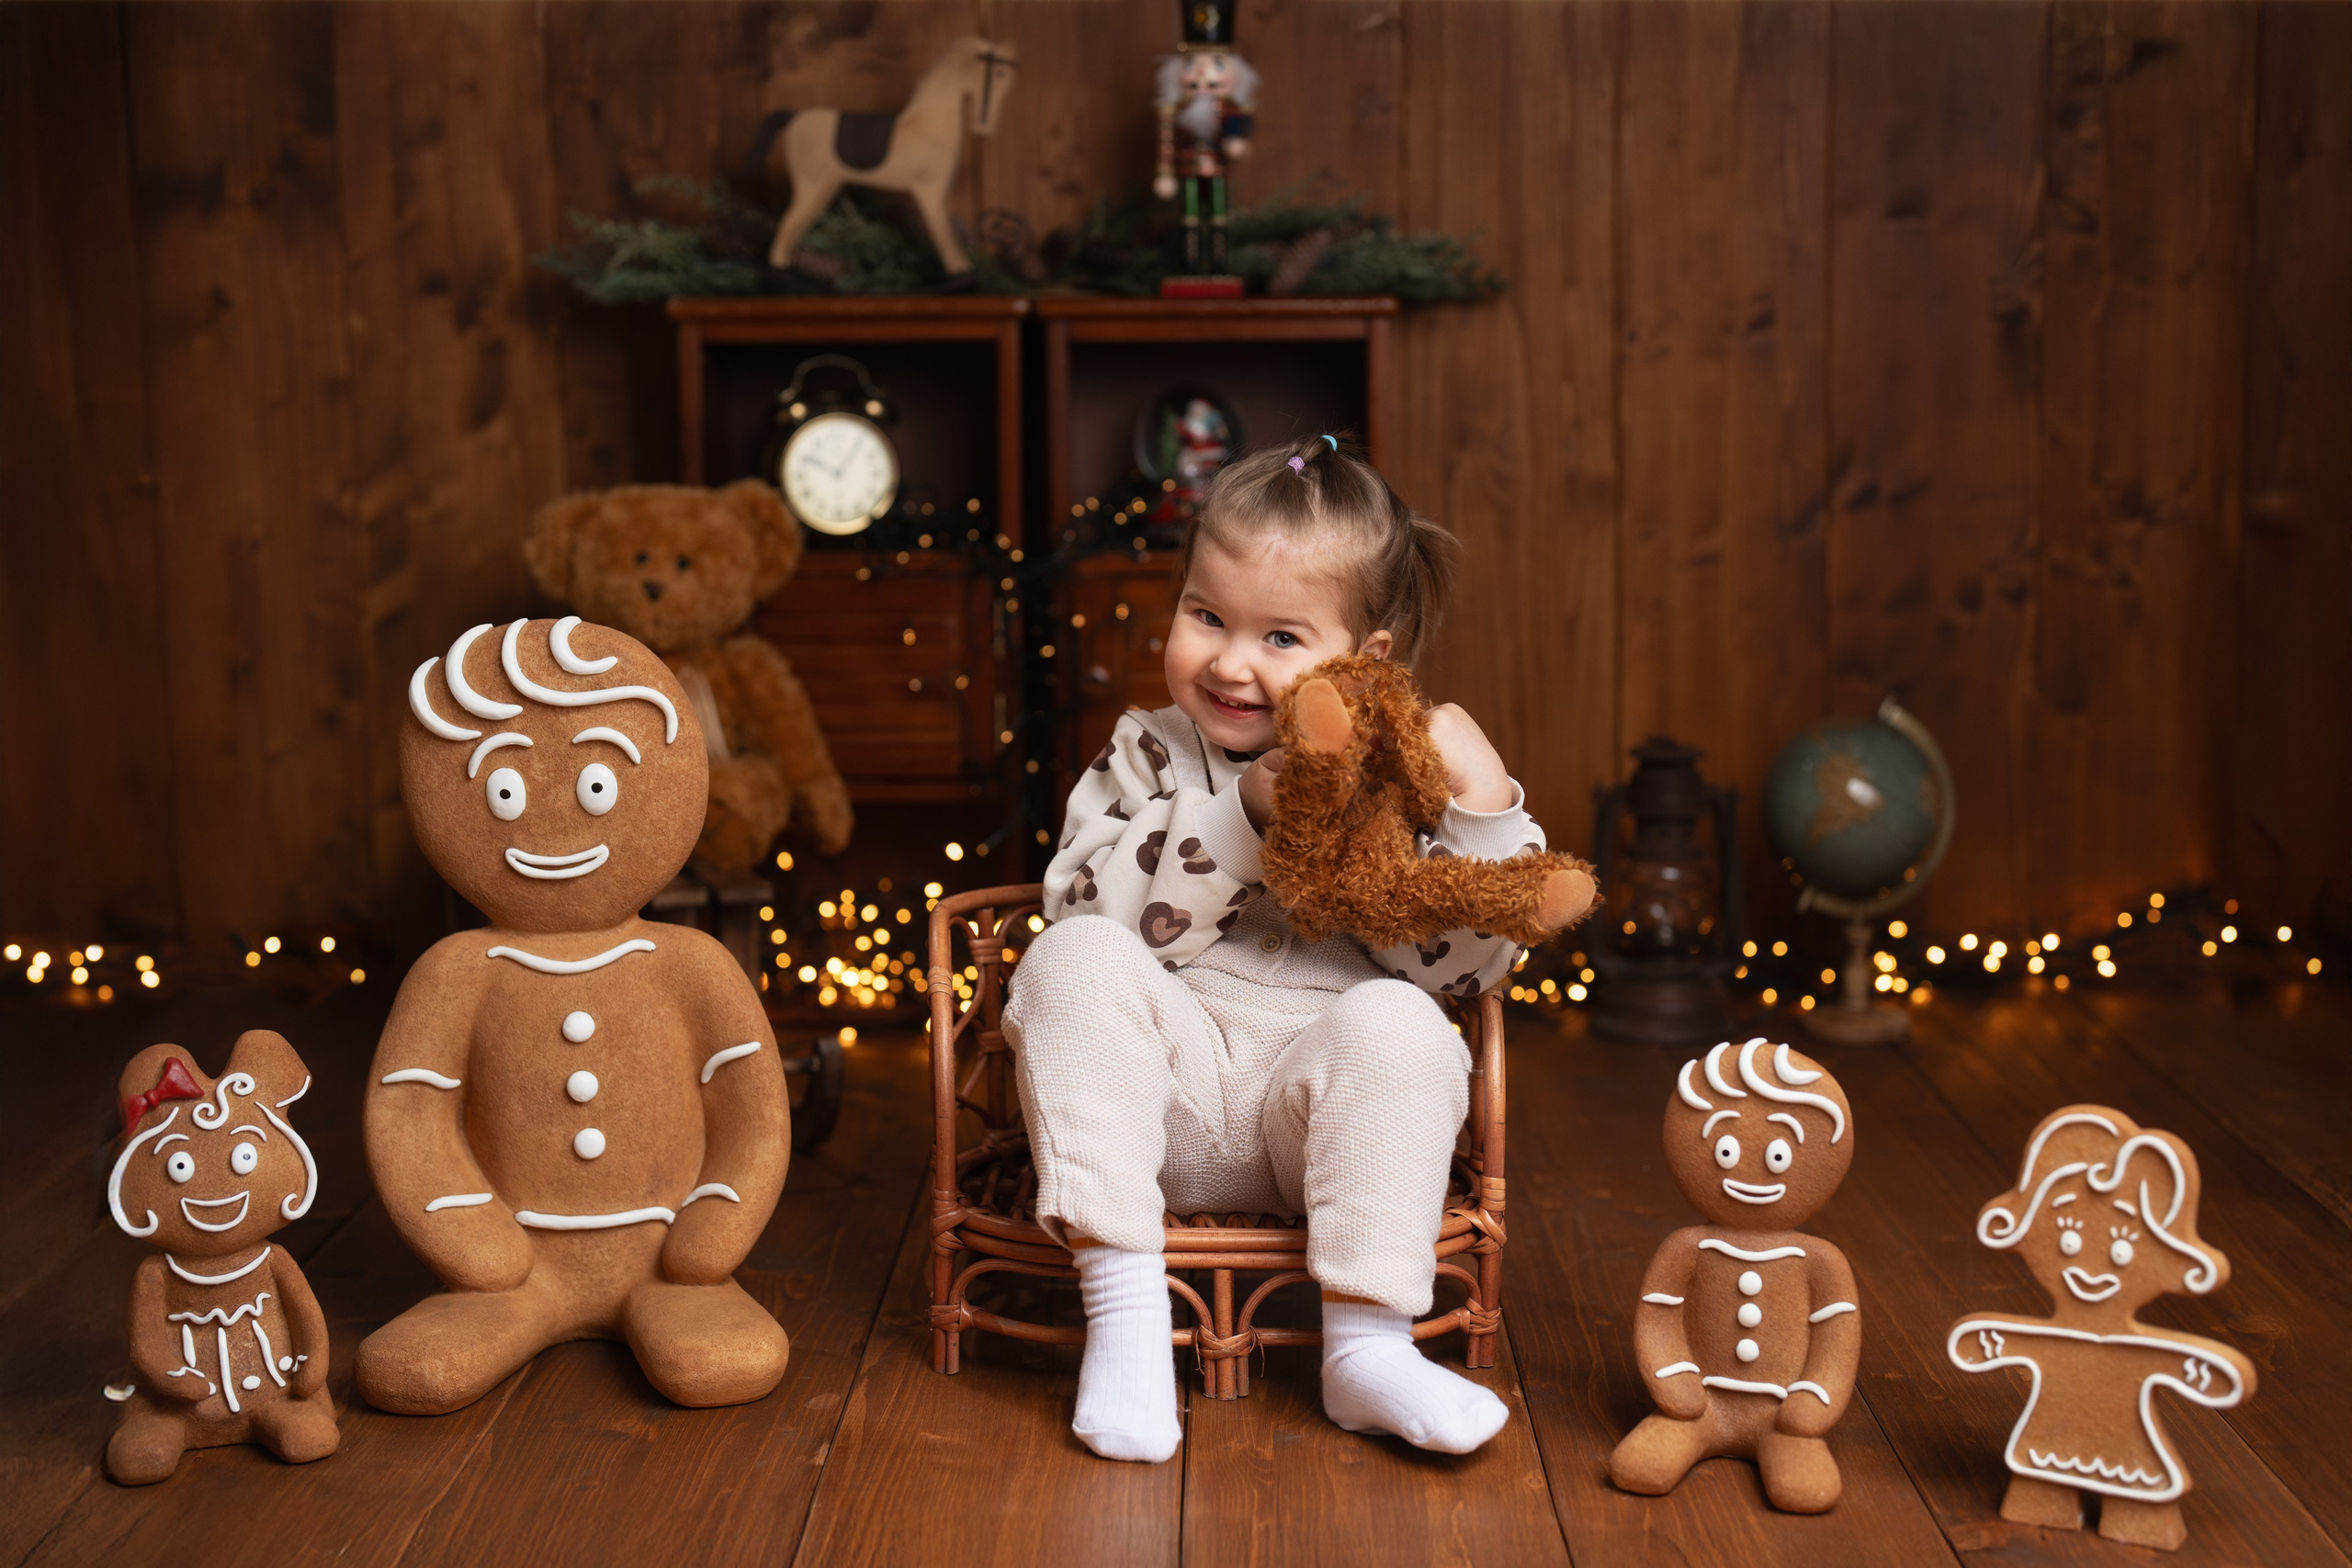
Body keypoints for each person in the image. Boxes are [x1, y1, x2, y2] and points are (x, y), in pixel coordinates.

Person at [1004, 434, 1591, 1462]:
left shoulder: (1402, 781)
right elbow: (1086, 904)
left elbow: (1463, 975)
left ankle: (1366, 1347)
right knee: (1066, 963)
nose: (1231, 662)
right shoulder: (1146, 749)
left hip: (1316, 1134)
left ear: (1364, 665)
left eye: (1280, 638)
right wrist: (1240, 815)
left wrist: (1487, 811)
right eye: (1206, 616)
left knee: (1403, 1022)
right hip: (1162, 1102)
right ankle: (1128, 1314)